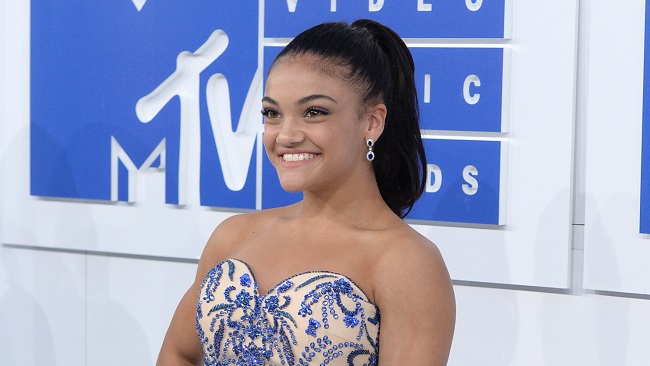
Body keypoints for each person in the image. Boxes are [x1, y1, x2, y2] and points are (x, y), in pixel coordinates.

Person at [157, 19, 455, 365]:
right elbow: (177, 353)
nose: (285, 135)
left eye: (314, 112)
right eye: (272, 113)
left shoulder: (407, 263)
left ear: (372, 121)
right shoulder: (232, 236)